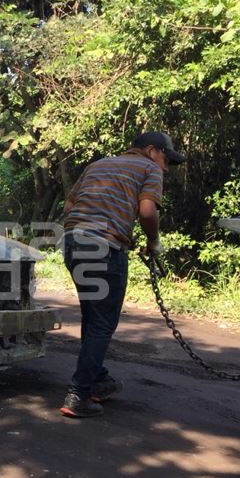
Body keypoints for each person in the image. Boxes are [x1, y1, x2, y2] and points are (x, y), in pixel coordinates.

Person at [59, 131, 186, 418]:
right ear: (152, 151)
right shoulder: (149, 168)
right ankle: (79, 394)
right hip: (104, 245)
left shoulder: (98, 165)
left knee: (93, 316)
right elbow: (147, 211)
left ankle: (98, 379)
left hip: (72, 241)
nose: (166, 168)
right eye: (167, 159)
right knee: (102, 322)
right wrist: (153, 242)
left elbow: (69, 206)